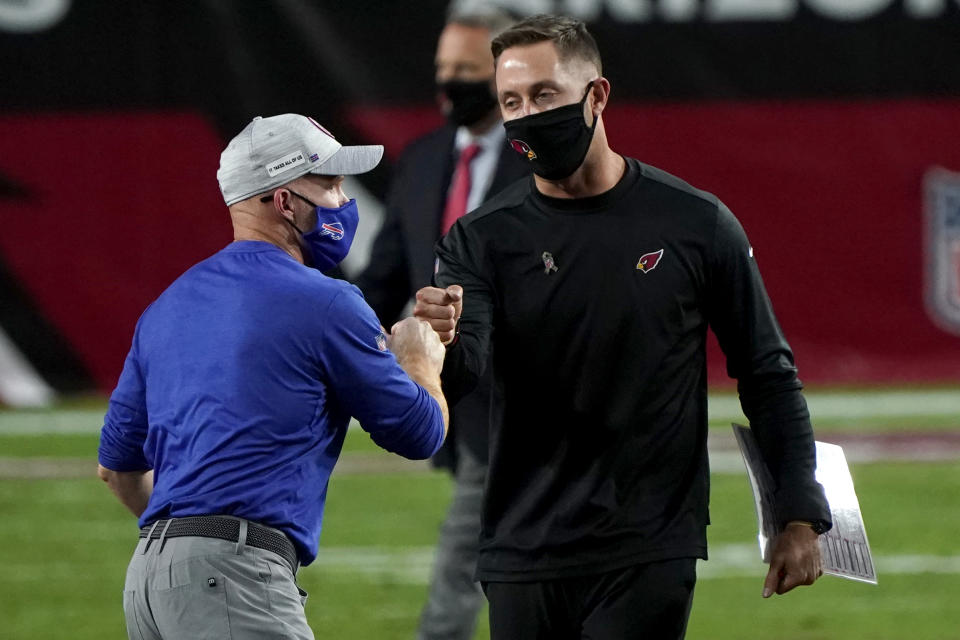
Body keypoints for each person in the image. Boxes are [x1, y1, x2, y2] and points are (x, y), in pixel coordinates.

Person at [413, 15, 833, 640]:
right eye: (511, 101)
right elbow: (469, 370)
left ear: (598, 96)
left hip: (650, 544)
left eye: (545, 95)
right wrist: (439, 341)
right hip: (522, 545)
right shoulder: (480, 240)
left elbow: (767, 372)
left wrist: (799, 512)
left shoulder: (697, 224)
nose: (527, 115)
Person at [97, 113, 449, 640]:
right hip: (231, 577)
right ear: (284, 201)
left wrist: (189, 540)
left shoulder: (165, 308)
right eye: (328, 183)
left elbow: (117, 471)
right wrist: (421, 358)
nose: (343, 200)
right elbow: (420, 433)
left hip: (148, 579)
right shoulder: (325, 301)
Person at [353, 10, 526, 640]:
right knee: (511, 550)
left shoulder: (549, 161)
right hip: (448, 392)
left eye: (467, 71)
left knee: (465, 549)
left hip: (523, 399)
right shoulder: (424, 159)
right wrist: (332, 343)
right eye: (444, 70)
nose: (450, 84)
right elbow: (385, 275)